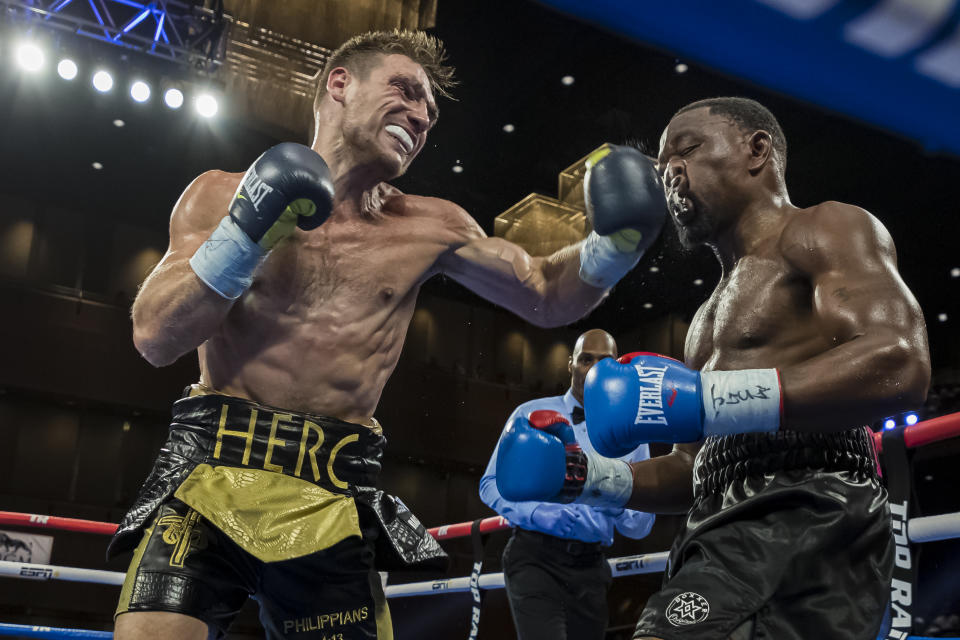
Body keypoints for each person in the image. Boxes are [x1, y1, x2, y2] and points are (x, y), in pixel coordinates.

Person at [109, 29, 666, 640]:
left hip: (332, 497)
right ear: (340, 83)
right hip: (209, 474)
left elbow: (544, 294)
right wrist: (246, 233)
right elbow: (155, 336)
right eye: (406, 90)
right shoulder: (222, 193)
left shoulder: (433, 226)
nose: (422, 116)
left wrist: (613, 247)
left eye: (430, 111)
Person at [495, 97, 931, 640]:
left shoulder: (823, 228)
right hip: (719, 517)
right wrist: (585, 476)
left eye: (687, 150)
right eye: (661, 165)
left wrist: (704, 399)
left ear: (757, 150)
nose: (669, 172)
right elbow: (692, 469)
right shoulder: (704, 321)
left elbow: (901, 363)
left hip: (809, 503)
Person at [480, 329, 655, 640]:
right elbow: (490, 484)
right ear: (571, 364)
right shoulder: (529, 414)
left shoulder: (631, 433)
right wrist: (536, 514)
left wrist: (614, 497)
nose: (595, 370)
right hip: (535, 558)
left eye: (605, 362)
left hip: (591, 567)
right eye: (587, 360)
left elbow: (640, 527)